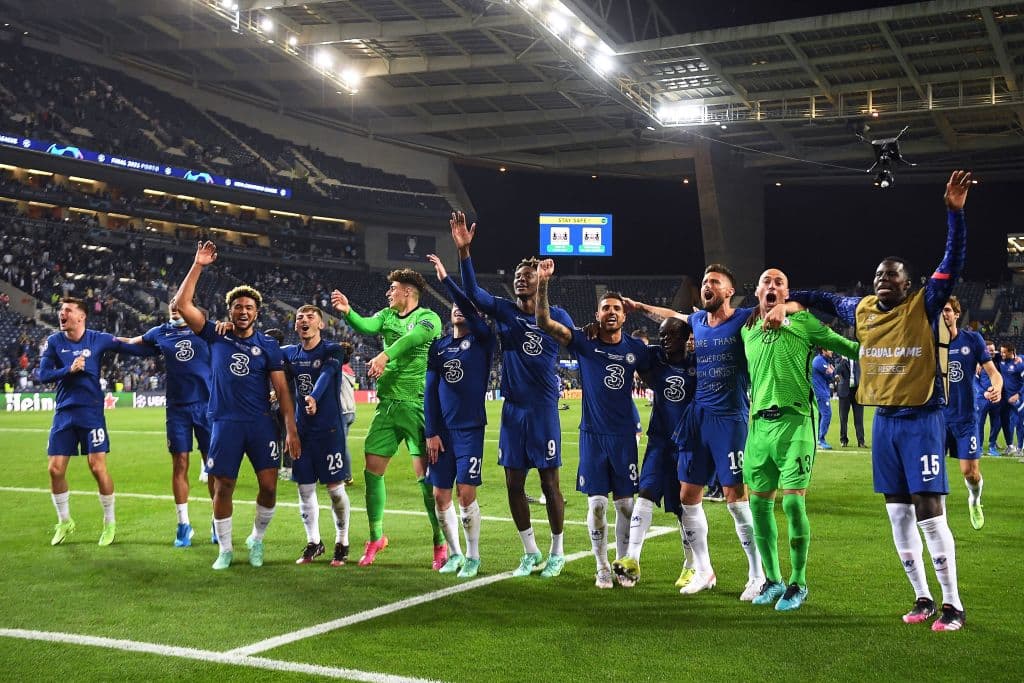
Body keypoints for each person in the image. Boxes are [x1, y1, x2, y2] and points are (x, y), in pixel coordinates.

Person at [787, 170, 972, 631]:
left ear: (909, 284)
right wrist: (786, 296)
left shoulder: (925, 304)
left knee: (929, 510)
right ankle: (922, 597)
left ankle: (953, 604)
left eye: (891, 276)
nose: (882, 281)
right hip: (885, 423)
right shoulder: (861, 309)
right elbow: (824, 299)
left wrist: (955, 214)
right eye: (877, 276)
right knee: (896, 512)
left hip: (922, 418)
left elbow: (953, 260)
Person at [625, 264, 776, 600]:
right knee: (687, 497)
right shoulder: (696, 322)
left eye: (714, 282)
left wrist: (779, 305)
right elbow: (670, 314)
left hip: (730, 419)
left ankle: (757, 574)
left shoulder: (744, 318)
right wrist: (639, 307)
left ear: (728, 291)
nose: (707, 286)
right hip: (698, 417)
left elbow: (777, 307)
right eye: (705, 282)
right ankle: (704, 569)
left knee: (736, 500)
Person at [453, 212, 574, 578]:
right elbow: (473, 293)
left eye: (528, 275)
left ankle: (557, 550)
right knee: (513, 483)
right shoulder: (503, 310)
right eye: (518, 276)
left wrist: (546, 286)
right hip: (513, 411)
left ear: (542, 280)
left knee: (550, 483)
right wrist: (465, 254)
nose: (521, 278)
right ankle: (530, 550)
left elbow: (556, 331)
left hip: (543, 409)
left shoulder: (560, 314)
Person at [174, 241, 300, 570]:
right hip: (224, 423)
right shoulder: (215, 335)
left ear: (257, 313)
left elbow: (282, 390)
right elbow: (181, 303)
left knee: (270, 487)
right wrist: (199, 264)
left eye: (249, 308)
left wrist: (290, 428)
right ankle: (225, 549)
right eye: (238, 307)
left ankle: (256, 540)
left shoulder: (269, 346)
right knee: (223, 486)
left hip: (259, 423)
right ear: (230, 310)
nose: (243, 311)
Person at [741, 269, 859, 611]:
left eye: (780, 282)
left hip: (796, 423)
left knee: (793, 503)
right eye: (767, 281)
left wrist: (889, 353)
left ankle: (799, 582)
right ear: (757, 292)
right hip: (758, 427)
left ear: (789, 293)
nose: (773, 286)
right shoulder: (746, 329)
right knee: (759, 507)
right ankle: (773, 581)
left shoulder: (804, 323)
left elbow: (848, 347)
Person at [536, 261, 650, 589]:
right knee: (598, 506)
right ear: (597, 315)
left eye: (616, 308)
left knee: (626, 507)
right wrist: (544, 282)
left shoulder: (635, 350)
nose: (611, 312)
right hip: (593, 437)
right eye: (605, 308)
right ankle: (601, 565)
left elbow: (661, 371)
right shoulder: (584, 342)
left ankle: (625, 566)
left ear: (625, 316)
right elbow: (544, 321)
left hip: (624, 437)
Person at [331, 268, 444, 568]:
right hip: (388, 406)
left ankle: (439, 541)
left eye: (393, 288)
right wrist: (348, 312)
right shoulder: (386, 315)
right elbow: (367, 326)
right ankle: (376, 537)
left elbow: (414, 339)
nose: (388, 293)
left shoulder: (429, 318)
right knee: (372, 470)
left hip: (418, 406)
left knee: (425, 481)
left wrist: (384, 356)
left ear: (408, 291)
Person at [37, 297, 152, 546]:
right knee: (54, 469)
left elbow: (129, 346)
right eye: (60, 310)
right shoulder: (54, 342)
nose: (61, 314)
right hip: (64, 412)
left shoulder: (98, 338)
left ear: (81, 316)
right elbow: (42, 374)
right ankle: (65, 521)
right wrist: (67, 369)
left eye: (67, 310)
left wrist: (161, 345)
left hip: (91, 414)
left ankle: (109, 523)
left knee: (97, 468)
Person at [423, 254, 495, 579]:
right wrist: (431, 432)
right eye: (453, 304)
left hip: (469, 429)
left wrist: (446, 282)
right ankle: (453, 553)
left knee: (466, 492)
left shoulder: (481, 340)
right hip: (443, 432)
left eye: (464, 306)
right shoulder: (437, 348)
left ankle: (474, 556)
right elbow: (430, 392)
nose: (456, 308)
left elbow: (473, 312)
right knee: (440, 494)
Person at [119, 301, 213, 547]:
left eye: (179, 303)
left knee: (213, 466)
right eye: (171, 303)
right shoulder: (160, 332)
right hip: (177, 409)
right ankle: (183, 525)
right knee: (179, 463)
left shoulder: (204, 329)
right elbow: (131, 342)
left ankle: (218, 519)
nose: (174, 306)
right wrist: (99, 339)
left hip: (207, 406)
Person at [612, 317, 695, 588]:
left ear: (685, 338)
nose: (665, 339)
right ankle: (632, 560)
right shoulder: (654, 358)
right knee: (645, 493)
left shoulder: (697, 364)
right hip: (659, 442)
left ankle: (692, 565)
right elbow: (626, 349)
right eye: (662, 334)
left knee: (685, 508)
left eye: (670, 334)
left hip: (687, 445)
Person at [282, 305, 353, 567]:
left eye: (310, 317)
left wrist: (313, 396)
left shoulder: (332, 350)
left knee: (335, 490)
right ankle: (314, 541)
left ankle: (342, 541)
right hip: (303, 432)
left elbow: (326, 374)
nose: (304, 320)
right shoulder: (290, 354)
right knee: (304, 489)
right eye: (300, 317)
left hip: (330, 431)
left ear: (321, 325)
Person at [941, 297, 1001, 530]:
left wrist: (997, 386)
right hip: (937, 419)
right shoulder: (929, 342)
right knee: (935, 475)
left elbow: (994, 373)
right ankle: (939, 521)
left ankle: (974, 500)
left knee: (970, 472)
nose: (943, 314)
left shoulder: (972, 339)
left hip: (966, 418)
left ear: (957, 314)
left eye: (947, 310)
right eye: (940, 311)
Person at [996, 343, 1023, 455]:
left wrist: (1019, 394)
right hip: (1005, 398)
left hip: (1018, 398)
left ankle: (1020, 448)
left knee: (1019, 422)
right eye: (1001, 351)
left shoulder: (1020, 364)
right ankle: (1010, 446)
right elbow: (991, 354)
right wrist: (979, 364)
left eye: (1004, 352)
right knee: (1006, 422)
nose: (1001, 354)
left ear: (1011, 352)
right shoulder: (1000, 359)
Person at [834, 355, 866, 448]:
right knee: (843, 418)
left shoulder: (859, 359)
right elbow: (837, 371)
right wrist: (843, 360)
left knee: (859, 418)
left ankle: (861, 441)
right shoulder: (839, 359)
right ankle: (843, 440)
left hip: (857, 391)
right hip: (844, 392)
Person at [976, 339, 1002, 456]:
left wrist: (1017, 356)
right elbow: (974, 381)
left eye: (993, 350)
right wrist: (983, 392)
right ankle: (979, 447)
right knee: (980, 423)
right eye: (990, 350)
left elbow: (1012, 353)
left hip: (996, 397)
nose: (992, 352)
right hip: (982, 398)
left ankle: (992, 446)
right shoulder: (977, 362)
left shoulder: (998, 359)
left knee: (996, 422)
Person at [811, 349, 836, 449]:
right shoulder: (818, 360)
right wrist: (832, 372)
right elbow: (831, 375)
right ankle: (821, 439)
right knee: (827, 414)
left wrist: (832, 373)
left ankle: (818, 438)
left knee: (822, 415)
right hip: (820, 392)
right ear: (823, 350)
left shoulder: (825, 361)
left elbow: (831, 377)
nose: (832, 351)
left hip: (823, 391)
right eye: (830, 349)